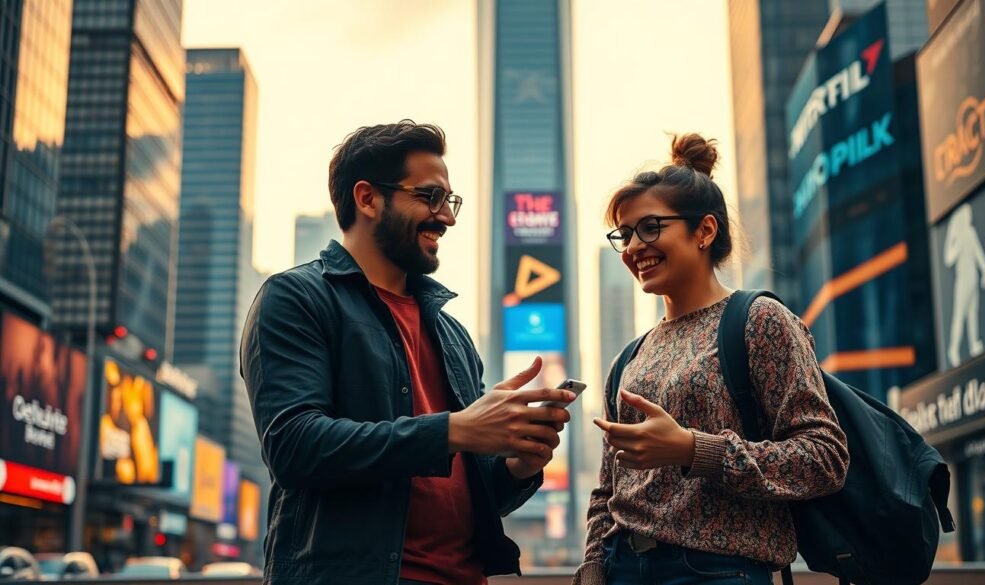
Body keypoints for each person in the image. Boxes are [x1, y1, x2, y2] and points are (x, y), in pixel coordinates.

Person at [240, 121, 576, 585]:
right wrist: (455, 429)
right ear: (367, 198)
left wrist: (520, 462)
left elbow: (472, 493)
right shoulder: (296, 298)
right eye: (430, 197)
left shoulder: (451, 334)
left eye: (450, 201)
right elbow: (295, 446)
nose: (448, 217)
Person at [574, 134, 850, 585]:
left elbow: (824, 458)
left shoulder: (760, 320)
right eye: (624, 235)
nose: (633, 248)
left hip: (718, 571)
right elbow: (608, 488)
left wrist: (692, 449)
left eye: (649, 228)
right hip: (623, 568)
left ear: (704, 230)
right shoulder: (629, 357)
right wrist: (592, 568)